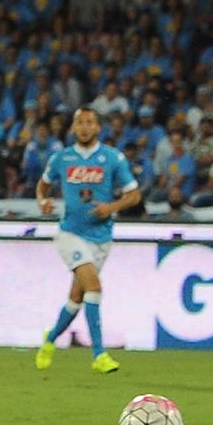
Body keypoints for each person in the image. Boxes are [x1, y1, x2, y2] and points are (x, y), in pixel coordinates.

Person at [35, 107, 141, 374]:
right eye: (79, 122)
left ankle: (50, 339)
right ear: (73, 128)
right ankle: (99, 354)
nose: (84, 127)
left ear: (98, 128)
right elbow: (43, 185)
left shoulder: (112, 158)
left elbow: (134, 195)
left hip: (101, 237)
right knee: (94, 286)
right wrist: (43, 200)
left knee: (76, 298)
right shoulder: (62, 158)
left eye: (90, 122)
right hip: (70, 233)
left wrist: (111, 207)